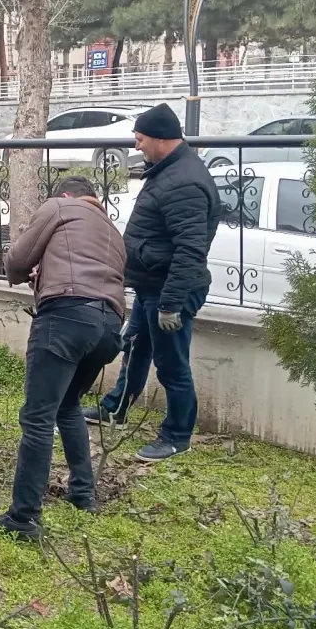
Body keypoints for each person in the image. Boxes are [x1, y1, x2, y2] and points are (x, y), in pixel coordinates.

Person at [0, 176, 126, 541]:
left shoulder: (60, 206)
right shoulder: (110, 228)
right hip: (110, 327)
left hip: (66, 317)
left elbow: (16, 261)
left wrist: (22, 273)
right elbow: (86, 268)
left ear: (64, 194)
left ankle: (24, 517)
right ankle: (83, 493)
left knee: (38, 417)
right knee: (67, 407)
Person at [86, 103, 220, 461]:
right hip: (153, 286)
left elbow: (190, 250)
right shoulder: (167, 171)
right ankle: (115, 409)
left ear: (161, 138)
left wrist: (171, 304)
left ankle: (177, 436)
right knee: (135, 347)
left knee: (172, 365)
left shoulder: (185, 183)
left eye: (140, 139)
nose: (136, 146)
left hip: (170, 292)